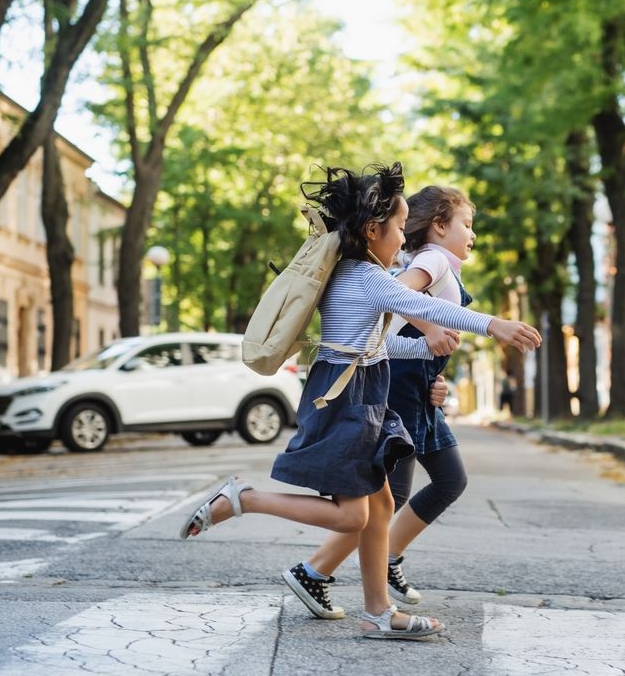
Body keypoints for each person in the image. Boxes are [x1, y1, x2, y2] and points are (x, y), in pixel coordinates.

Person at [179, 164, 541, 641]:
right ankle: (245, 499)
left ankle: (377, 611)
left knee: (383, 504)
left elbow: (376, 344)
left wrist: (424, 350)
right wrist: (492, 324)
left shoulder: (358, 273)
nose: (405, 238)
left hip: (360, 388)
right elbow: (426, 306)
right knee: (355, 514)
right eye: (400, 227)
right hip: (345, 396)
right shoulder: (367, 277)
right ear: (373, 230)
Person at [284, 185, 483, 620]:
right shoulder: (431, 260)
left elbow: (396, 313)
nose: (472, 234)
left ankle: (371, 562)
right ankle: (330, 572)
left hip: (415, 388)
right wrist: (435, 329)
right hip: (396, 390)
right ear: (439, 226)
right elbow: (395, 301)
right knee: (385, 499)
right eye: (467, 225)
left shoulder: (432, 264)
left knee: (436, 483)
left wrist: (435, 373)